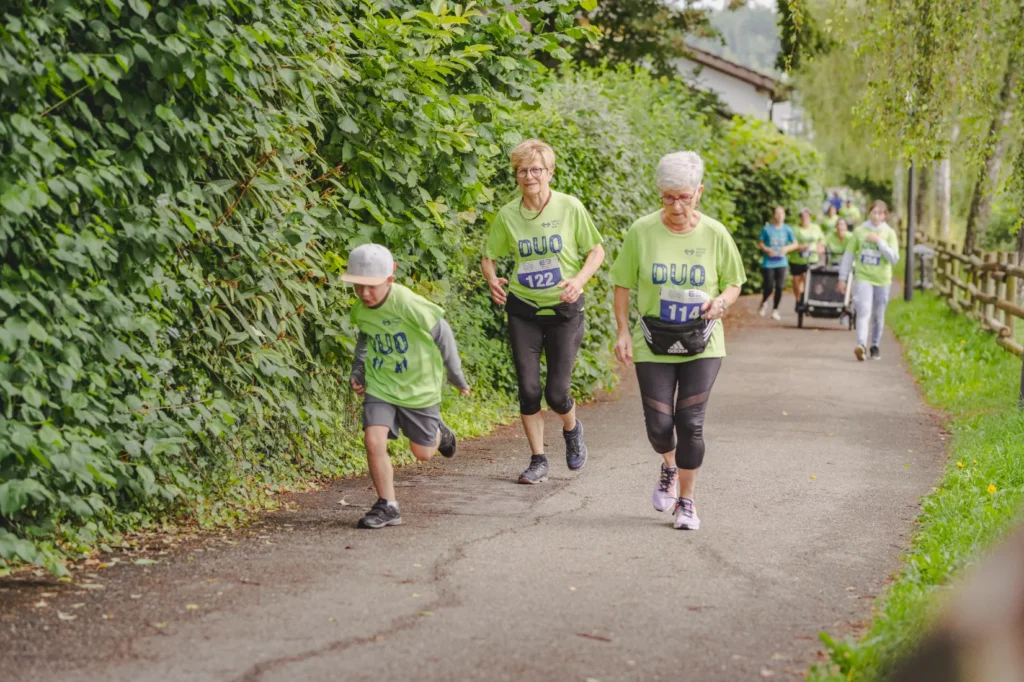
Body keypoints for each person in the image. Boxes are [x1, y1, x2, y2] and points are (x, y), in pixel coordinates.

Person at [609, 151, 746, 530]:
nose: (676, 206)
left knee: (690, 421)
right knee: (659, 424)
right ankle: (669, 466)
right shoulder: (641, 231)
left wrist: (721, 301)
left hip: (703, 341)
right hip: (653, 339)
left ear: (698, 193)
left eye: (684, 197)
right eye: (667, 197)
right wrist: (623, 331)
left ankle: (687, 502)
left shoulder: (715, 233)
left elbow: (735, 282)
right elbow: (622, 284)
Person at [481, 139, 605, 484]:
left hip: (564, 310)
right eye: (523, 170)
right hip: (523, 309)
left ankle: (572, 427)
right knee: (529, 390)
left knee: (556, 393)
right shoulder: (508, 214)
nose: (530, 176)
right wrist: (492, 279)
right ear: (516, 175)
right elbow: (489, 256)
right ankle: (538, 459)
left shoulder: (569, 207)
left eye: (537, 169)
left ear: (549, 172)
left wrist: (579, 281)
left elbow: (596, 251)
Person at [345, 244, 472, 529]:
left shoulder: (407, 303)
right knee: (373, 440)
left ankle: (441, 432)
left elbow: (443, 332)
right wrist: (359, 370)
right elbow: (365, 338)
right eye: (358, 286)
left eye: (372, 287)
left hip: (419, 388)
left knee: (422, 453)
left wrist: (455, 376)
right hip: (382, 385)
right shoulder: (361, 308)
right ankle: (388, 505)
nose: (365, 294)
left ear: (390, 280)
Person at [838, 200, 900, 361]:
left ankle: (875, 345)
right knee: (863, 309)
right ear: (869, 213)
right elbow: (848, 255)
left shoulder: (889, 233)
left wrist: (879, 242)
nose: (876, 216)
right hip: (863, 276)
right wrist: (842, 278)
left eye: (880, 213)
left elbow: (894, 259)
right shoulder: (859, 231)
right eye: (874, 212)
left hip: (882, 279)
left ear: (885, 215)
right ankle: (861, 345)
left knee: (878, 314)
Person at [758, 206, 797, 321]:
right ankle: (764, 301)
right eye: (777, 213)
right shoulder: (767, 229)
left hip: (781, 262)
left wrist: (786, 249)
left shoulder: (787, 229)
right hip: (768, 262)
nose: (779, 216)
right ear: (774, 215)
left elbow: (795, 244)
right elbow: (760, 242)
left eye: (781, 213)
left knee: (779, 287)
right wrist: (767, 250)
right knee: (769, 287)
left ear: (784, 216)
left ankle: (775, 310)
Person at [790, 208, 825, 311]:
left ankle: (805, 299)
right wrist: (800, 247)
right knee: (796, 281)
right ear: (800, 218)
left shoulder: (815, 228)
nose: (805, 218)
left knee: (807, 278)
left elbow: (821, 240)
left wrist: (820, 247)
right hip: (797, 259)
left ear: (810, 217)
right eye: (803, 217)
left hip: (812, 258)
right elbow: (791, 243)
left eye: (807, 216)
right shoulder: (795, 229)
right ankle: (798, 299)